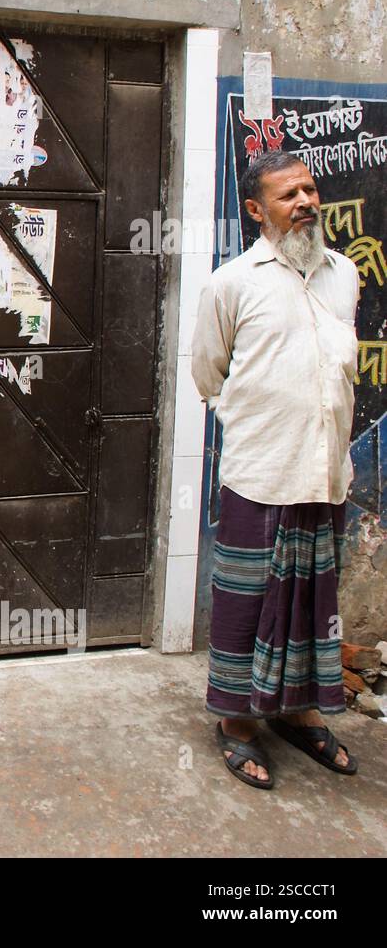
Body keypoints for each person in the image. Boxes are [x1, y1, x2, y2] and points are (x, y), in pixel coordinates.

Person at [191, 149, 359, 789]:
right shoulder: (233, 282)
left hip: (324, 473)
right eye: (289, 196)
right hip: (261, 472)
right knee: (248, 603)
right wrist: (250, 420)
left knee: (314, 603)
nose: (305, 203)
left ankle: (300, 710)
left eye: (310, 191)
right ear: (258, 210)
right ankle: (236, 724)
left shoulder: (344, 275)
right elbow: (209, 371)